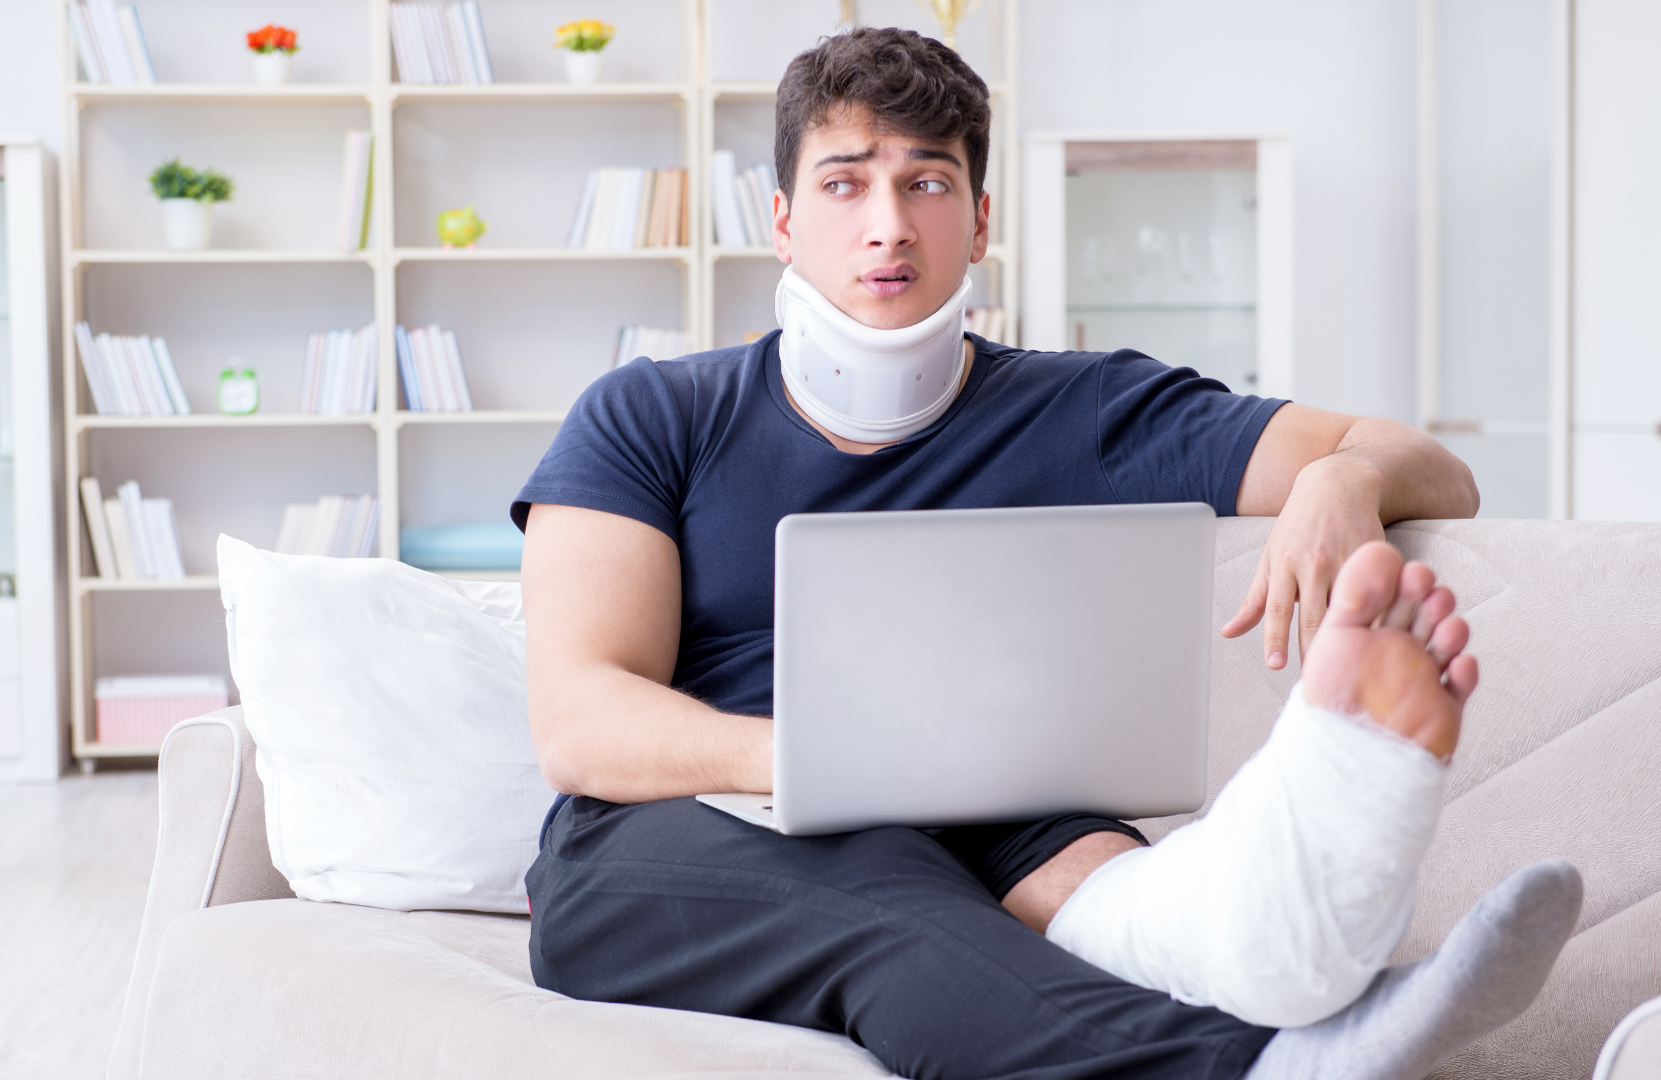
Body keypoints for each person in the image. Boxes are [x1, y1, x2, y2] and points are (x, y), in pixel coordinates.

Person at [512, 27, 1581, 1080]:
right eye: (846, 184)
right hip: (665, 840)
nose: (888, 226)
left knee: (1102, 881)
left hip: (981, 810)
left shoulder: (1083, 407)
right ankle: (1261, 1067)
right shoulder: (651, 414)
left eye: (926, 184)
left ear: (979, 222)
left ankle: (1268, 927)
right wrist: (824, 763)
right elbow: (581, 719)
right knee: (885, 885)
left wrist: (1343, 479)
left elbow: (1423, 462)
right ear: (784, 222)